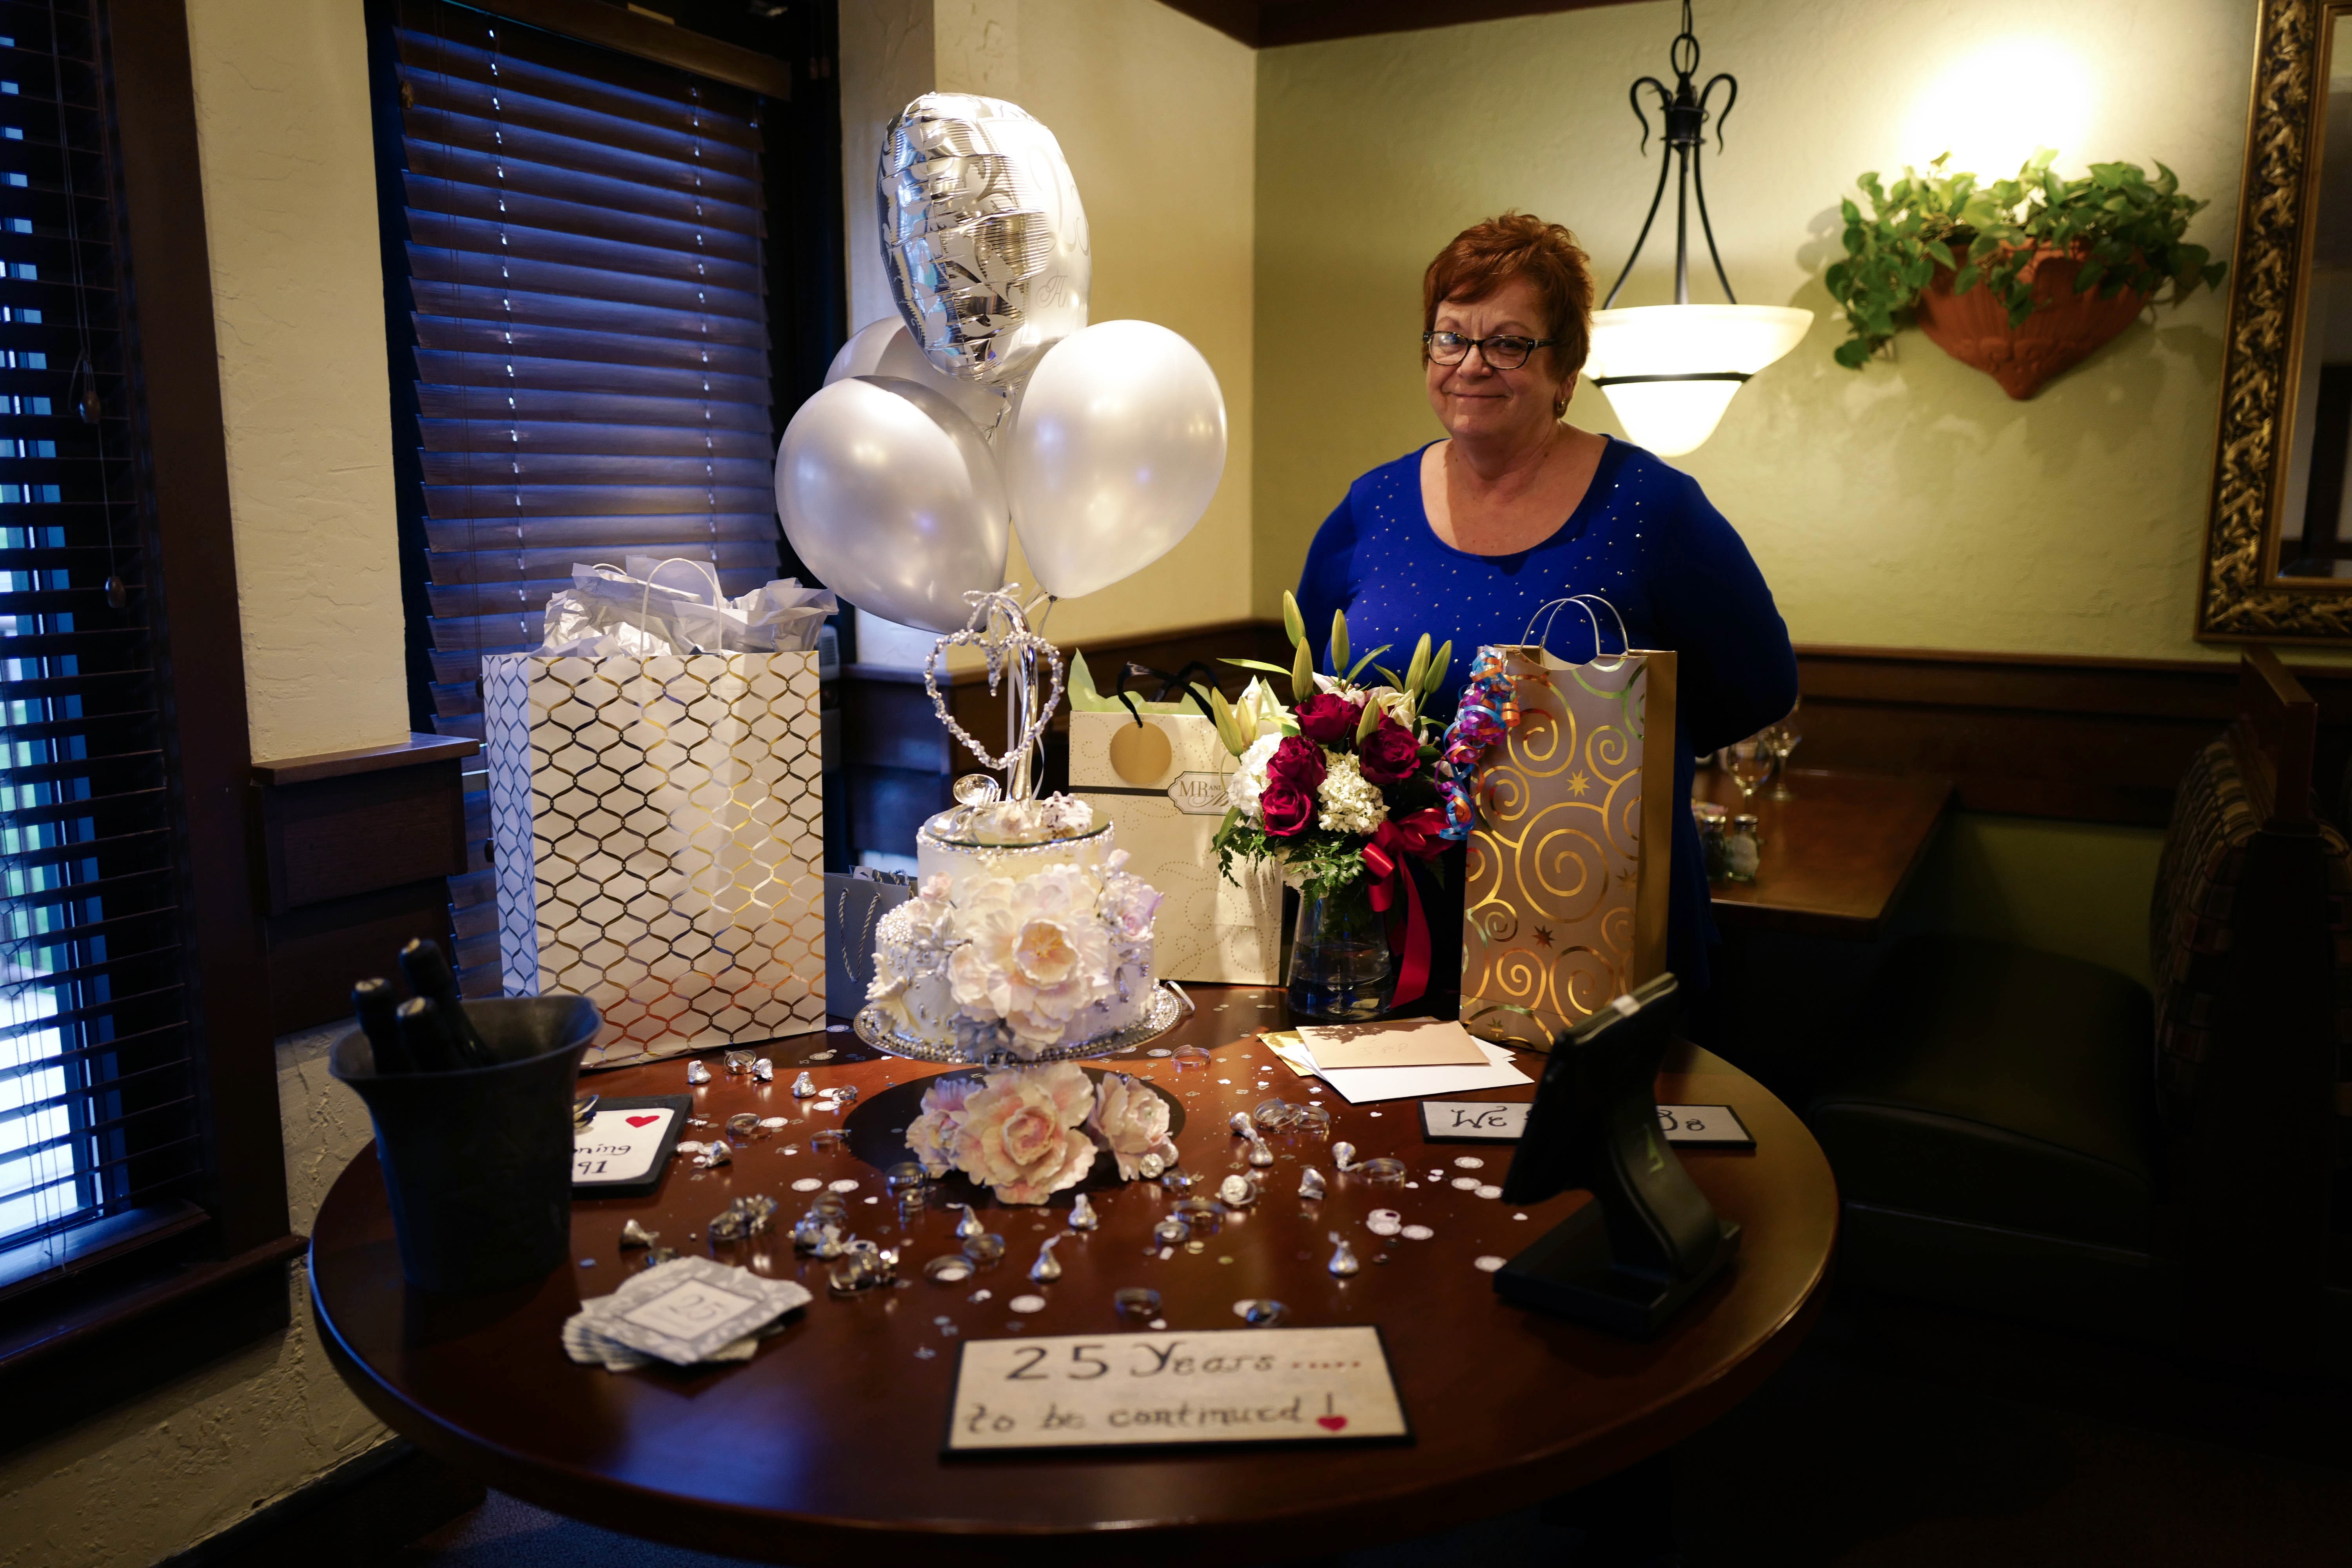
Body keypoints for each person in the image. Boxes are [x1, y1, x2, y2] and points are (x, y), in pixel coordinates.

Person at [1293, 211, 1797, 997]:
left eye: (1509, 343)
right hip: (1392, 927)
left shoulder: (1651, 509)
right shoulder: (1373, 507)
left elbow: (1760, 684)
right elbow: (1312, 697)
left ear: (1567, 370)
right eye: (1450, 337)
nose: (1471, 364)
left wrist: (1624, 752)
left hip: (1588, 922)